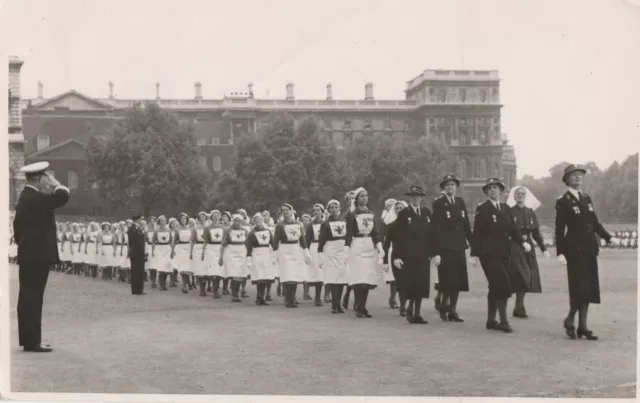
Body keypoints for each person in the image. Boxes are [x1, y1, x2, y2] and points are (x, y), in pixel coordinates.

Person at [13, 161, 70, 352]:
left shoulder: (26, 197)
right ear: (39, 178)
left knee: (28, 297)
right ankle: (32, 342)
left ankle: (29, 340)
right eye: (45, 177)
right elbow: (63, 196)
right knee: (34, 298)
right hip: (37, 255)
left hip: (29, 253)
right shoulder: (36, 197)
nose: (47, 181)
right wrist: (56, 183)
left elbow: (17, 229)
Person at [555, 164, 611, 340]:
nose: (578, 177)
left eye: (580, 175)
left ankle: (582, 326)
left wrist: (609, 237)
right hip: (574, 250)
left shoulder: (586, 198)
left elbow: (595, 223)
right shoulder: (563, 201)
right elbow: (559, 229)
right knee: (579, 288)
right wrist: (560, 252)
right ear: (567, 180)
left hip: (589, 249)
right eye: (574, 175)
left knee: (589, 288)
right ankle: (571, 319)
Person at [471, 178, 530, 333]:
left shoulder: (505, 208)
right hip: (488, 254)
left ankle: (491, 320)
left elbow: (513, 229)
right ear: (486, 191)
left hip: (504, 253)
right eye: (490, 188)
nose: (493, 190)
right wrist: (474, 254)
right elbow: (477, 232)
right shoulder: (482, 208)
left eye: (496, 188)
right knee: (503, 285)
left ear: (501, 191)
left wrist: (522, 242)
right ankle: (503, 321)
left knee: (495, 286)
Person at [391, 186, 436, 324]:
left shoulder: (426, 212)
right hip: (408, 255)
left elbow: (432, 233)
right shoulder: (404, 213)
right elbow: (397, 236)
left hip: (423, 254)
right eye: (413, 195)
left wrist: (433, 252)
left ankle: (416, 312)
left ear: (422, 197)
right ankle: (411, 309)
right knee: (412, 283)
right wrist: (397, 256)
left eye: (418, 195)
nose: (416, 198)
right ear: (410, 197)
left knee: (422, 284)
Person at [431, 174, 472, 322]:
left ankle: (453, 310)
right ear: (443, 188)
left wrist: (473, 244)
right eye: (447, 185)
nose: (450, 187)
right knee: (447, 280)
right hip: (445, 247)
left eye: (452, 185)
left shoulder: (460, 202)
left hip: (459, 246)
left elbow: (466, 225)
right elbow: (435, 228)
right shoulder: (438, 203)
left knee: (458, 281)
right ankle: (444, 305)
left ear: (456, 187)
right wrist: (435, 251)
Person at [506, 186, 549, 318]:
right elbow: (511, 230)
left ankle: (519, 306)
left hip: (529, 247)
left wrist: (544, 249)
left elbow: (536, 232)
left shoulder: (530, 212)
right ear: (514, 196)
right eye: (518, 194)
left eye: (523, 194)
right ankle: (518, 306)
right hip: (515, 246)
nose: (520, 196)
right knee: (522, 274)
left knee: (528, 276)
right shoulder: (509, 212)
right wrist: (521, 242)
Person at [345, 188, 384, 318]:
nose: (364, 198)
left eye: (366, 196)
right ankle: (357, 305)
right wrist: (346, 250)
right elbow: (349, 234)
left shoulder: (371, 214)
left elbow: (375, 233)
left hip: (368, 245)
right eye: (362, 196)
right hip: (356, 245)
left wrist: (380, 248)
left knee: (367, 278)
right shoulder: (351, 215)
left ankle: (363, 306)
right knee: (359, 278)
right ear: (357, 199)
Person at [318, 199, 349, 314]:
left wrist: (346, 248)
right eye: (332, 208)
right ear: (328, 210)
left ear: (339, 209)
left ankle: (338, 304)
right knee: (333, 278)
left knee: (341, 278)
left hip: (342, 250)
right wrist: (320, 255)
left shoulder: (344, 221)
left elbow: (347, 237)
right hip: (330, 250)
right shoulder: (325, 223)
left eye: (336, 207)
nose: (334, 210)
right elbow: (321, 240)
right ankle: (334, 305)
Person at [382, 200, 408, 316]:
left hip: (411, 254)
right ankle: (402, 305)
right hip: (396, 253)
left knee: (410, 280)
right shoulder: (392, 225)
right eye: (397, 208)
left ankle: (409, 304)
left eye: (401, 208)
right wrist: (384, 261)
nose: (399, 210)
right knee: (399, 280)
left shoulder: (413, 224)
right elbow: (386, 243)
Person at [128, 213, 147, 295]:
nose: (141, 221)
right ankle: (136, 290)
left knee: (140, 272)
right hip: (136, 253)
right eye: (140, 219)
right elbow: (134, 241)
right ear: (137, 220)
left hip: (139, 253)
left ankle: (139, 290)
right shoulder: (133, 228)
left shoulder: (138, 228)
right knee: (136, 272)